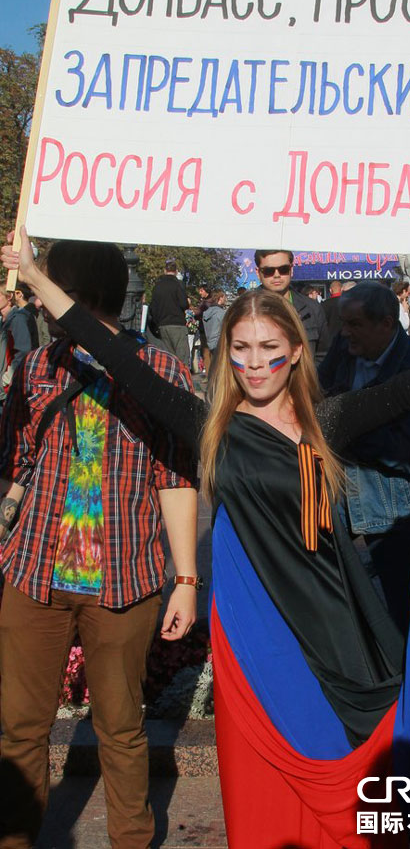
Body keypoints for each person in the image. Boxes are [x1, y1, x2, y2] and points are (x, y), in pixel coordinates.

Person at [1, 229, 410, 849]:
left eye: (268, 347)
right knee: (267, 790)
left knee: (358, 775)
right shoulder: (208, 425)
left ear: (295, 351)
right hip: (257, 634)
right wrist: (34, 276)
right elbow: (114, 352)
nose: (254, 362)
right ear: (225, 354)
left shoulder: (328, 424)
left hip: (334, 625)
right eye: (240, 349)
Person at [0, 240, 198, 849]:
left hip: (123, 579)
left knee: (121, 729)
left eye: (46, 284)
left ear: (76, 291)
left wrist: (186, 580)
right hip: (33, 573)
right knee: (19, 732)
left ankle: (131, 839)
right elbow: (9, 465)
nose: (37, 296)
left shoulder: (160, 371)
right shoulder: (35, 368)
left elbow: (175, 478)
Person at [319, 282, 410, 629]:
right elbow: (320, 394)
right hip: (339, 493)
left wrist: (345, 430)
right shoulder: (344, 347)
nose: (345, 332)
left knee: (403, 606)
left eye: (355, 324)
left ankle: (408, 676)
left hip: (392, 503)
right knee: (329, 594)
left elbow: (409, 448)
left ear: (386, 325)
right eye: (343, 323)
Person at [255, 249, 329, 362]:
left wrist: (308, 377)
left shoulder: (312, 309)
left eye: (283, 269)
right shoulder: (244, 308)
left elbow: (323, 355)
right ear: (258, 273)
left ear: (291, 270)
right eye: (269, 271)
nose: (277, 275)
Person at [147, 258, 191, 367]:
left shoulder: (157, 286)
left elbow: (153, 308)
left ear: (164, 270)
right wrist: (187, 302)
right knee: (182, 358)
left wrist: (157, 323)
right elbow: (183, 304)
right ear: (176, 271)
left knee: (169, 358)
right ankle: (182, 381)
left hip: (163, 325)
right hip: (177, 324)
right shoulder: (178, 285)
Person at [203, 289, 227, 356]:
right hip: (219, 345)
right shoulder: (221, 313)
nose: (226, 299)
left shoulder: (206, 312)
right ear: (220, 298)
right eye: (224, 297)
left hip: (209, 343)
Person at [322, 279, 344, 345]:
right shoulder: (348, 302)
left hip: (330, 338)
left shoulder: (325, 304)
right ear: (342, 289)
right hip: (345, 337)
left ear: (330, 290)